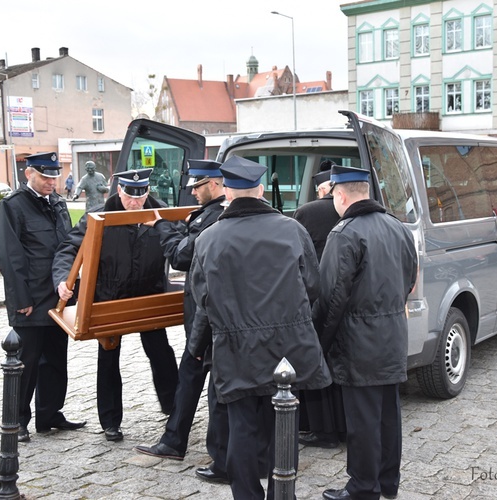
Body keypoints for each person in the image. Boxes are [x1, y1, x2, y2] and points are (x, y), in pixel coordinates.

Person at [186, 156, 332, 500]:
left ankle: (247, 494)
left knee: (240, 427)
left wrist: (201, 344)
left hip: (235, 350)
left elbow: (202, 298)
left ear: (227, 193)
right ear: (262, 190)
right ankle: (282, 493)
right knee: (283, 422)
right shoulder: (292, 229)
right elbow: (313, 286)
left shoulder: (208, 239)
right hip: (288, 347)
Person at [52, 168, 179, 442]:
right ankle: (110, 421)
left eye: (141, 196)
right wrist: (63, 279)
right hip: (109, 295)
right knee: (108, 358)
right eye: (129, 196)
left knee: (161, 353)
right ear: (119, 191)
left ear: (147, 191)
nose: (136, 202)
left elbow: (181, 241)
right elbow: (69, 249)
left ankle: (174, 408)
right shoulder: (98, 216)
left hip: (149, 294)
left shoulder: (161, 213)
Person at [314, 165, 417, 500]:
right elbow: (409, 279)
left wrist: (319, 345)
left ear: (340, 196)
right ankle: (387, 483)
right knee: (388, 415)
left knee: (362, 421)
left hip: (359, 343)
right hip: (392, 336)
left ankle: (362, 487)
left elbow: (331, 298)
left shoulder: (344, 234)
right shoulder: (398, 228)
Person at [134, 160, 228, 476]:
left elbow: (182, 256)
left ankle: (210, 452)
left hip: (207, 317)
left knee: (204, 379)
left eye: (197, 186)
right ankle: (176, 440)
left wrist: (162, 226)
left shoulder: (213, 217)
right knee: (191, 375)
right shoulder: (214, 213)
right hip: (211, 316)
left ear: (214, 184)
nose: (192, 191)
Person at [0, 152, 86, 443]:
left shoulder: (57, 203)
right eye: (45, 176)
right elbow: (10, 257)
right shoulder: (12, 206)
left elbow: (68, 246)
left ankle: (50, 414)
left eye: (54, 176)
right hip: (30, 298)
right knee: (26, 363)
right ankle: (18, 420)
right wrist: (21, 299)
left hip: (58, 296)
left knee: (56, 359)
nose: (50, 182)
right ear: (28, 173)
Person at [292, 165, 345, 449]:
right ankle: (343, 425)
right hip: (348, 300)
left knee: (315, 364)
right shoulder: (352, 211)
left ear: (323, 190)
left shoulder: (307, 212)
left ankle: (318, 428)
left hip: (317, 300)